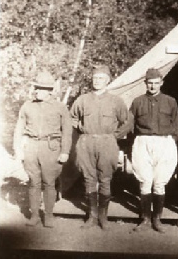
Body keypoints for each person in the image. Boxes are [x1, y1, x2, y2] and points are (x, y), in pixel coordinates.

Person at [70, 65, 129, 230]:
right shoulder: (82, 99)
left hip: (107, 142)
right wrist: (81, 128)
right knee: (89, 179)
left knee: (105, 179)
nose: (97, 81)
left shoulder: (116, 101)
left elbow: (126, 122)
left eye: (101, 78)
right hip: (86, 141)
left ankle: (103, 217)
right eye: (95, 78)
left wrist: (113, 136)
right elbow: (72, 117)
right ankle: (92, 216)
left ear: (108, 80)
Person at [13, 70, 72, 228]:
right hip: (32, 147)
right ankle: (34, 215)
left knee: (49, 182)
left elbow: (67, 131)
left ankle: (49, 215)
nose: (37, 91)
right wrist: (18, 149)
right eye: (36, 87)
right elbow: (19, 128)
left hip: (51, 147)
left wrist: (65, 151)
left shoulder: (60, 107)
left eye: (41, 88)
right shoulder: (27, 106)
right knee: (33, 182)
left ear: (49, 91)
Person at [129, 68, 178, 233]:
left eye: (156, 83)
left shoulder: (170, 101)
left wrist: (170, 141)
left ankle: (157, 219)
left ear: (161, 83)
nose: (153, 86)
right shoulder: (137, 102)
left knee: (159, 182)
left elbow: (177, 125)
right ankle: (145, 218)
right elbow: (130, 124)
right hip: (143, 141)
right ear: (145, 83)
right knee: (145, 181)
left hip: (164, 142)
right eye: (150, 83)